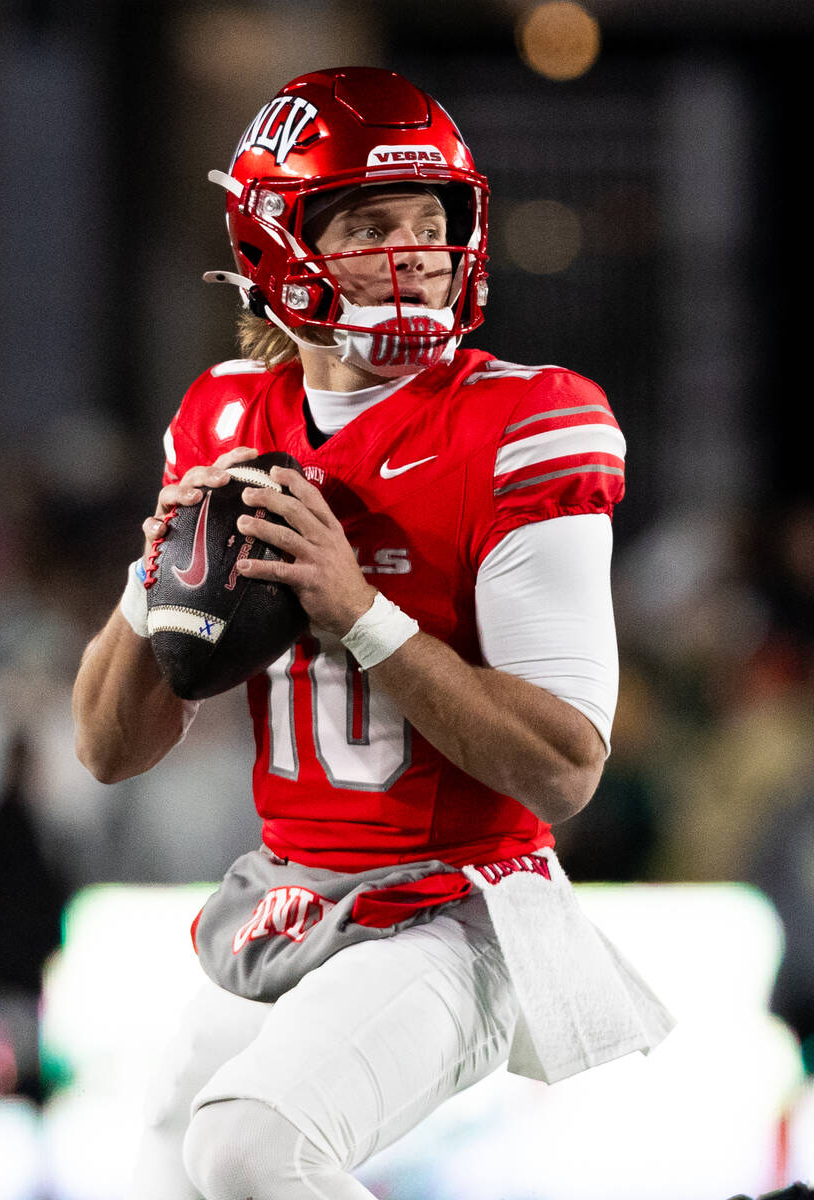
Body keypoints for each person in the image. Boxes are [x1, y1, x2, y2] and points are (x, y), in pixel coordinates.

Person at [73, 66, 673, 1200]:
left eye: (428, 222)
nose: (414, 254)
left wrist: (358, 612)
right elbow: (108, 749)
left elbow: (564, 768)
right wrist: (150, 582)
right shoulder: (225, 417)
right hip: (291, 895)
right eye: (368, 226)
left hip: (459, 902)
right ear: (278, 245)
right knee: (162, 1169)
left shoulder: (524, 422)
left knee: (250, 1146)